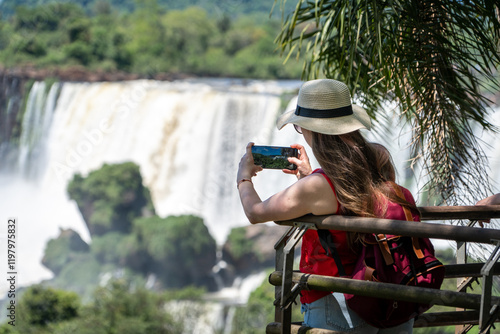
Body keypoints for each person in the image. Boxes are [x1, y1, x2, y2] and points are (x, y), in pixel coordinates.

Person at [237, 79, 418, 333]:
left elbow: (255, 212)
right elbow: (357, 202)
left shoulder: (318, 186)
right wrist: (308, 177)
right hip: (391, 298)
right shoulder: (378, 157)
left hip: (339, 304)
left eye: (301, 128)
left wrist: (243, 176)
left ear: (313, 131)